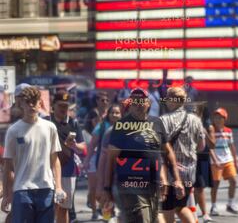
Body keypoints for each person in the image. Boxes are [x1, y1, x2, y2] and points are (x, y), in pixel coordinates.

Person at [102, 88, 184, 223]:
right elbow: (110, 160)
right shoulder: (121, 126)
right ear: (130, 104)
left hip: (153, 183)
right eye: (134, 102)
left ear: (149, 103)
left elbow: (165, 153)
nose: (138, 105)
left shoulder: (157, 123)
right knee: (143, 219)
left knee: (156, 218)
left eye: (142, 101)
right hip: (130, 184)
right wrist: (106, 188)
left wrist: (174, 179)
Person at [1, 86, 66, 223]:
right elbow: (7, 166)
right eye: (27, 101)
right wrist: (7, 194)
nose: (31, 104)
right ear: (21, 104)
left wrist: (59, 186)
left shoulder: (50, 127)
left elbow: (55, 160)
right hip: (22, 190)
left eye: (34, 101)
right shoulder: (13, 131)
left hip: (46, 189)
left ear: (40, 103)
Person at [159, 87, 205, 223]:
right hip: (189, 173)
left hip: (170, 173)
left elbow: (158, 148)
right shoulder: (195, 120)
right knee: (180, 206)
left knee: (167, 208)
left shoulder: (163, 120)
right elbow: (201, 147)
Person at [49, 92, 86, 223]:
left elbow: (83, 147)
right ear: (53, 105)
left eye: (66, 105)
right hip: (48, 171)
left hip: (68, 171)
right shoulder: (46, 121)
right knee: (50, 207)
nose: (63, 108)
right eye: (60, 105)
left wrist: (75, 145)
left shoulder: (74, 123)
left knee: (64, 207)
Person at [83, 91, 109, 219]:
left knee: (106, 185)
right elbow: (91, 133)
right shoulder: (93, 113)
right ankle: (94, 211)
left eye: (106, 100)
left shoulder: (110, 114)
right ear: (97, 101)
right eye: (101, 100)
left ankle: (105, 213)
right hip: (94, 154)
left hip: (106, 154)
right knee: (93, 186)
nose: (104, 102)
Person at [210, 108, 238, 216]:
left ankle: (230, 204)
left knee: (234, 181)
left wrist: (235, 160)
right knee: (215, 184)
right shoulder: (211, 130)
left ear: (224, 119)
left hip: (228, 160)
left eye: (220, 117)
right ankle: (213, 206)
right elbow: (210, 148)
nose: (217, 119)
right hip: (215, 162)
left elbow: (232, 146)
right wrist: (215, 160)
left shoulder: (229, 131)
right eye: (216, 117)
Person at [193, 104, 215, 223]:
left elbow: (212, 145)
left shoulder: (209, 127)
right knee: (198, 187)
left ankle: (199, 213)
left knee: (199, 187)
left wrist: (205, 133)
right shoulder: (189, 124)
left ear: (201, 113)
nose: (193, 112)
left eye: (196, 111)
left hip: (204, 159)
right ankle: (202, 213)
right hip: (192, 158)